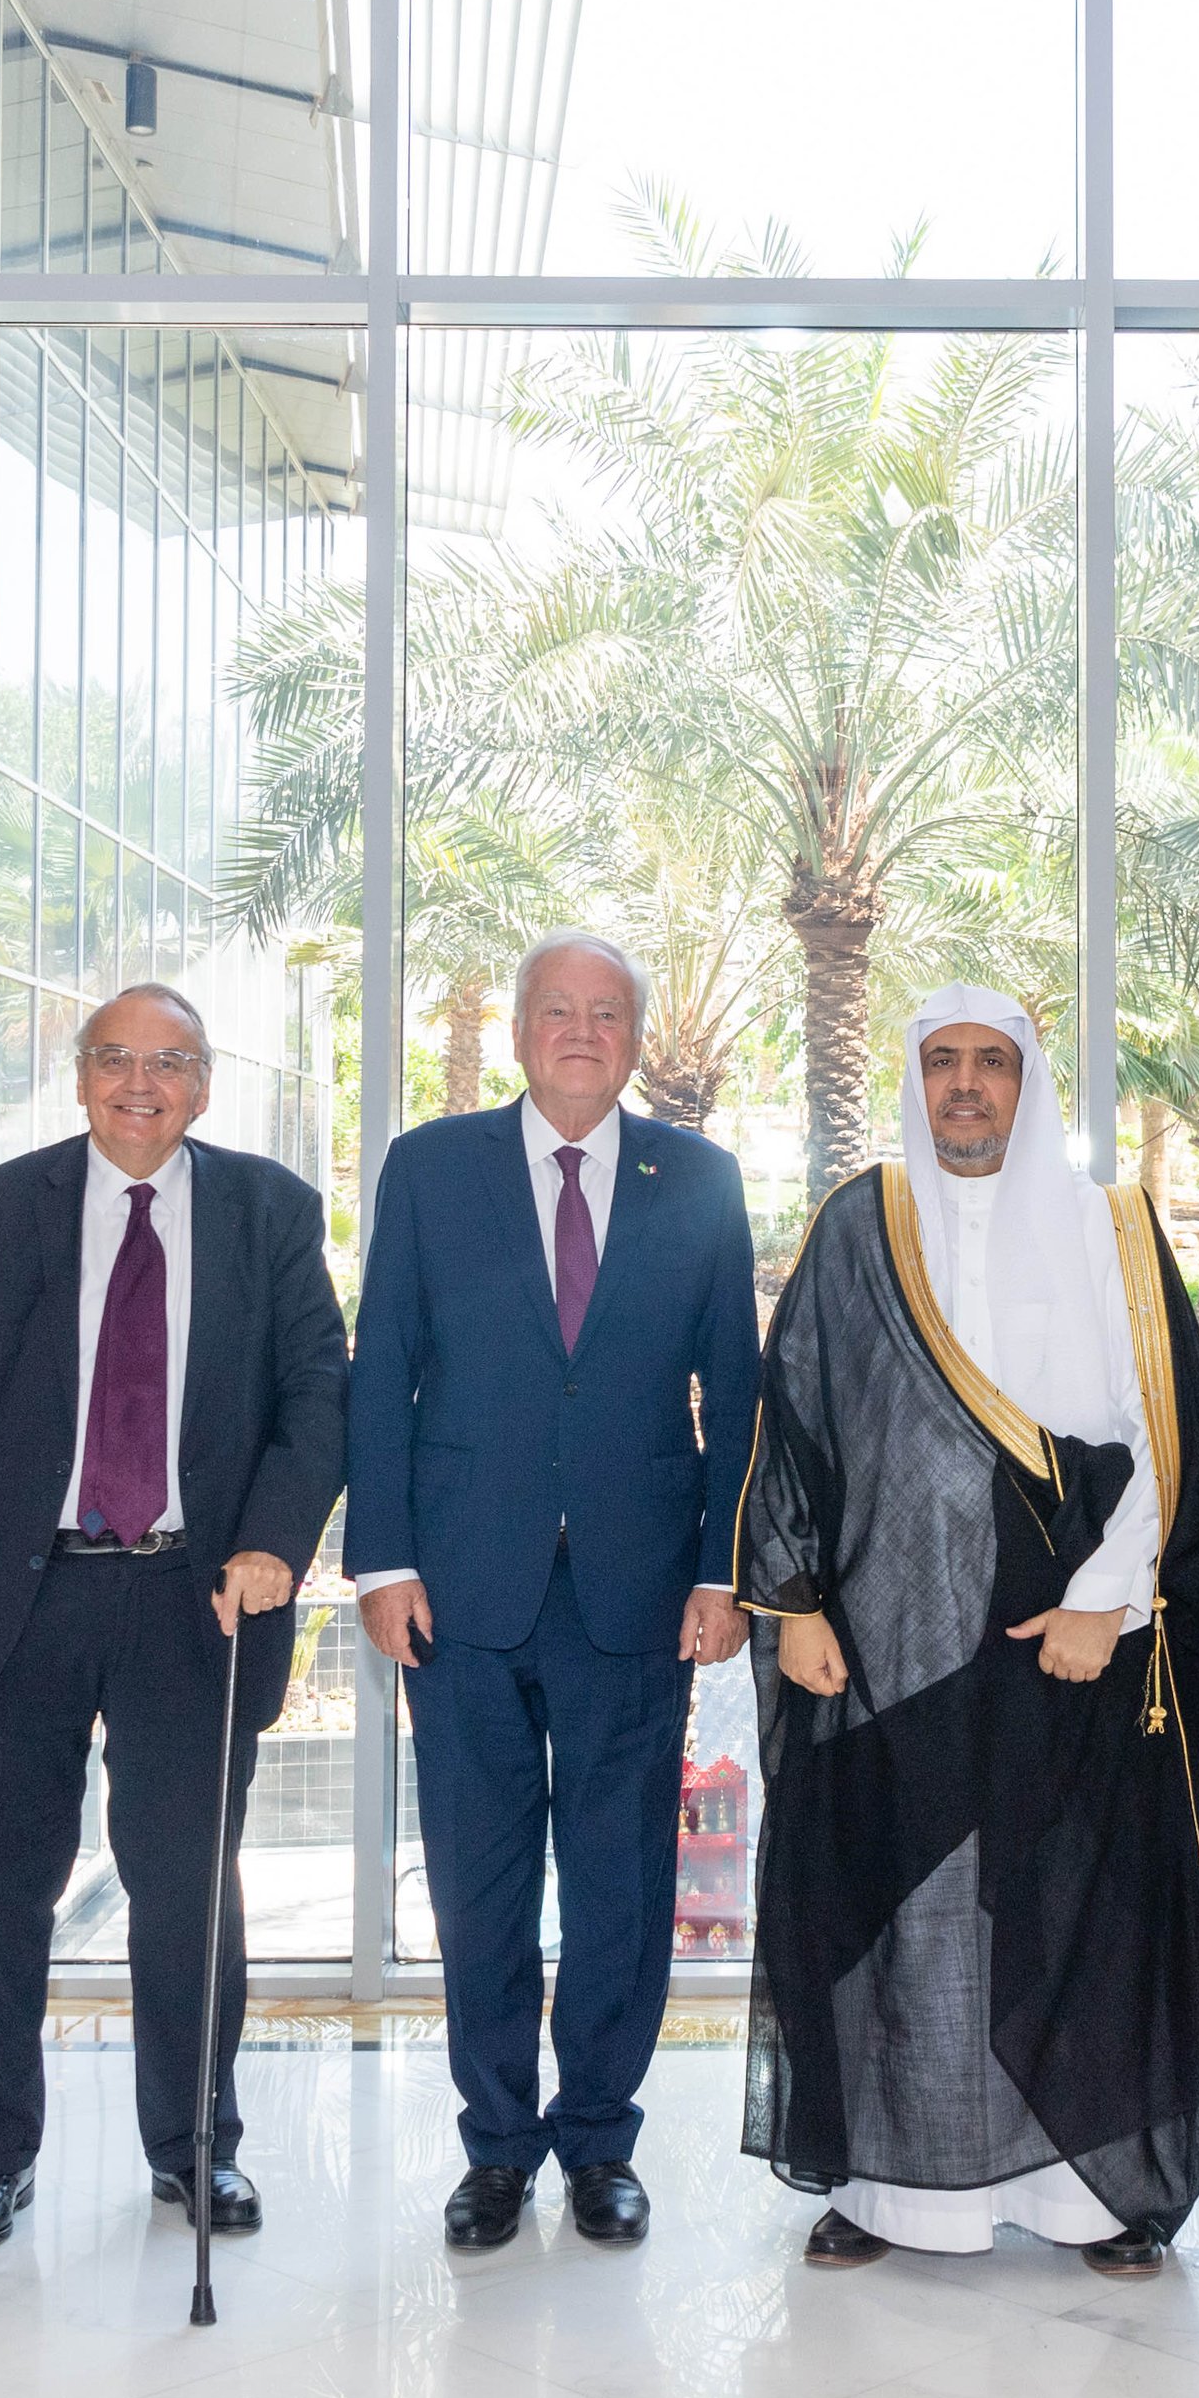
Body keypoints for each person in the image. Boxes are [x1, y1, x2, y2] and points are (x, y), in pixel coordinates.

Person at [735, 986, 1199, 2278]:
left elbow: (1164, 1439)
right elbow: (795, 1421)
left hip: (1070, 1642)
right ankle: (891, 2187)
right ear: (916, 1081)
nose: (967, 1085)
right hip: (888, 1639)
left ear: (1028, 1084)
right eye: (943, 1062)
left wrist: (1104, 1601)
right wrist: (792, 1602)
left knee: (1071, 1902)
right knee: (893, 1904)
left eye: (993, 1063)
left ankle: (1085, 2189)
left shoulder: (1106, 1229)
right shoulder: (862, 1226)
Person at [0, 982, 348, 2252]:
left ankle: (193, 2148)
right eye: (116, 1059)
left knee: (188, 1891)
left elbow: (318, 1400)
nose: (141, 1083)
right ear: (79, 1078)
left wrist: (275, 1541)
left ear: (205, 1084)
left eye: (169, 1060)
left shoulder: (271, 1212)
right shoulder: (0, 1211)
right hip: (13, 1598)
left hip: (198, 1602)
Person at [343, 931, 761, 2250]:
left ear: (634, 1038)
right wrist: (384, 1559)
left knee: (620, 1881)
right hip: (459, 1587)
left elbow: (738, 1392)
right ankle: (496, 2146)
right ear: (521, 1027)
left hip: (637, 1593)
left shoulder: (698, 1179)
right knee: (479, 1881)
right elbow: (382, 1368)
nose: (581, 1030)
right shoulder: (430, 1166)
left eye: (607, 1012)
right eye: (558, 1009)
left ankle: (597, 2137)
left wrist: (722, 1568)